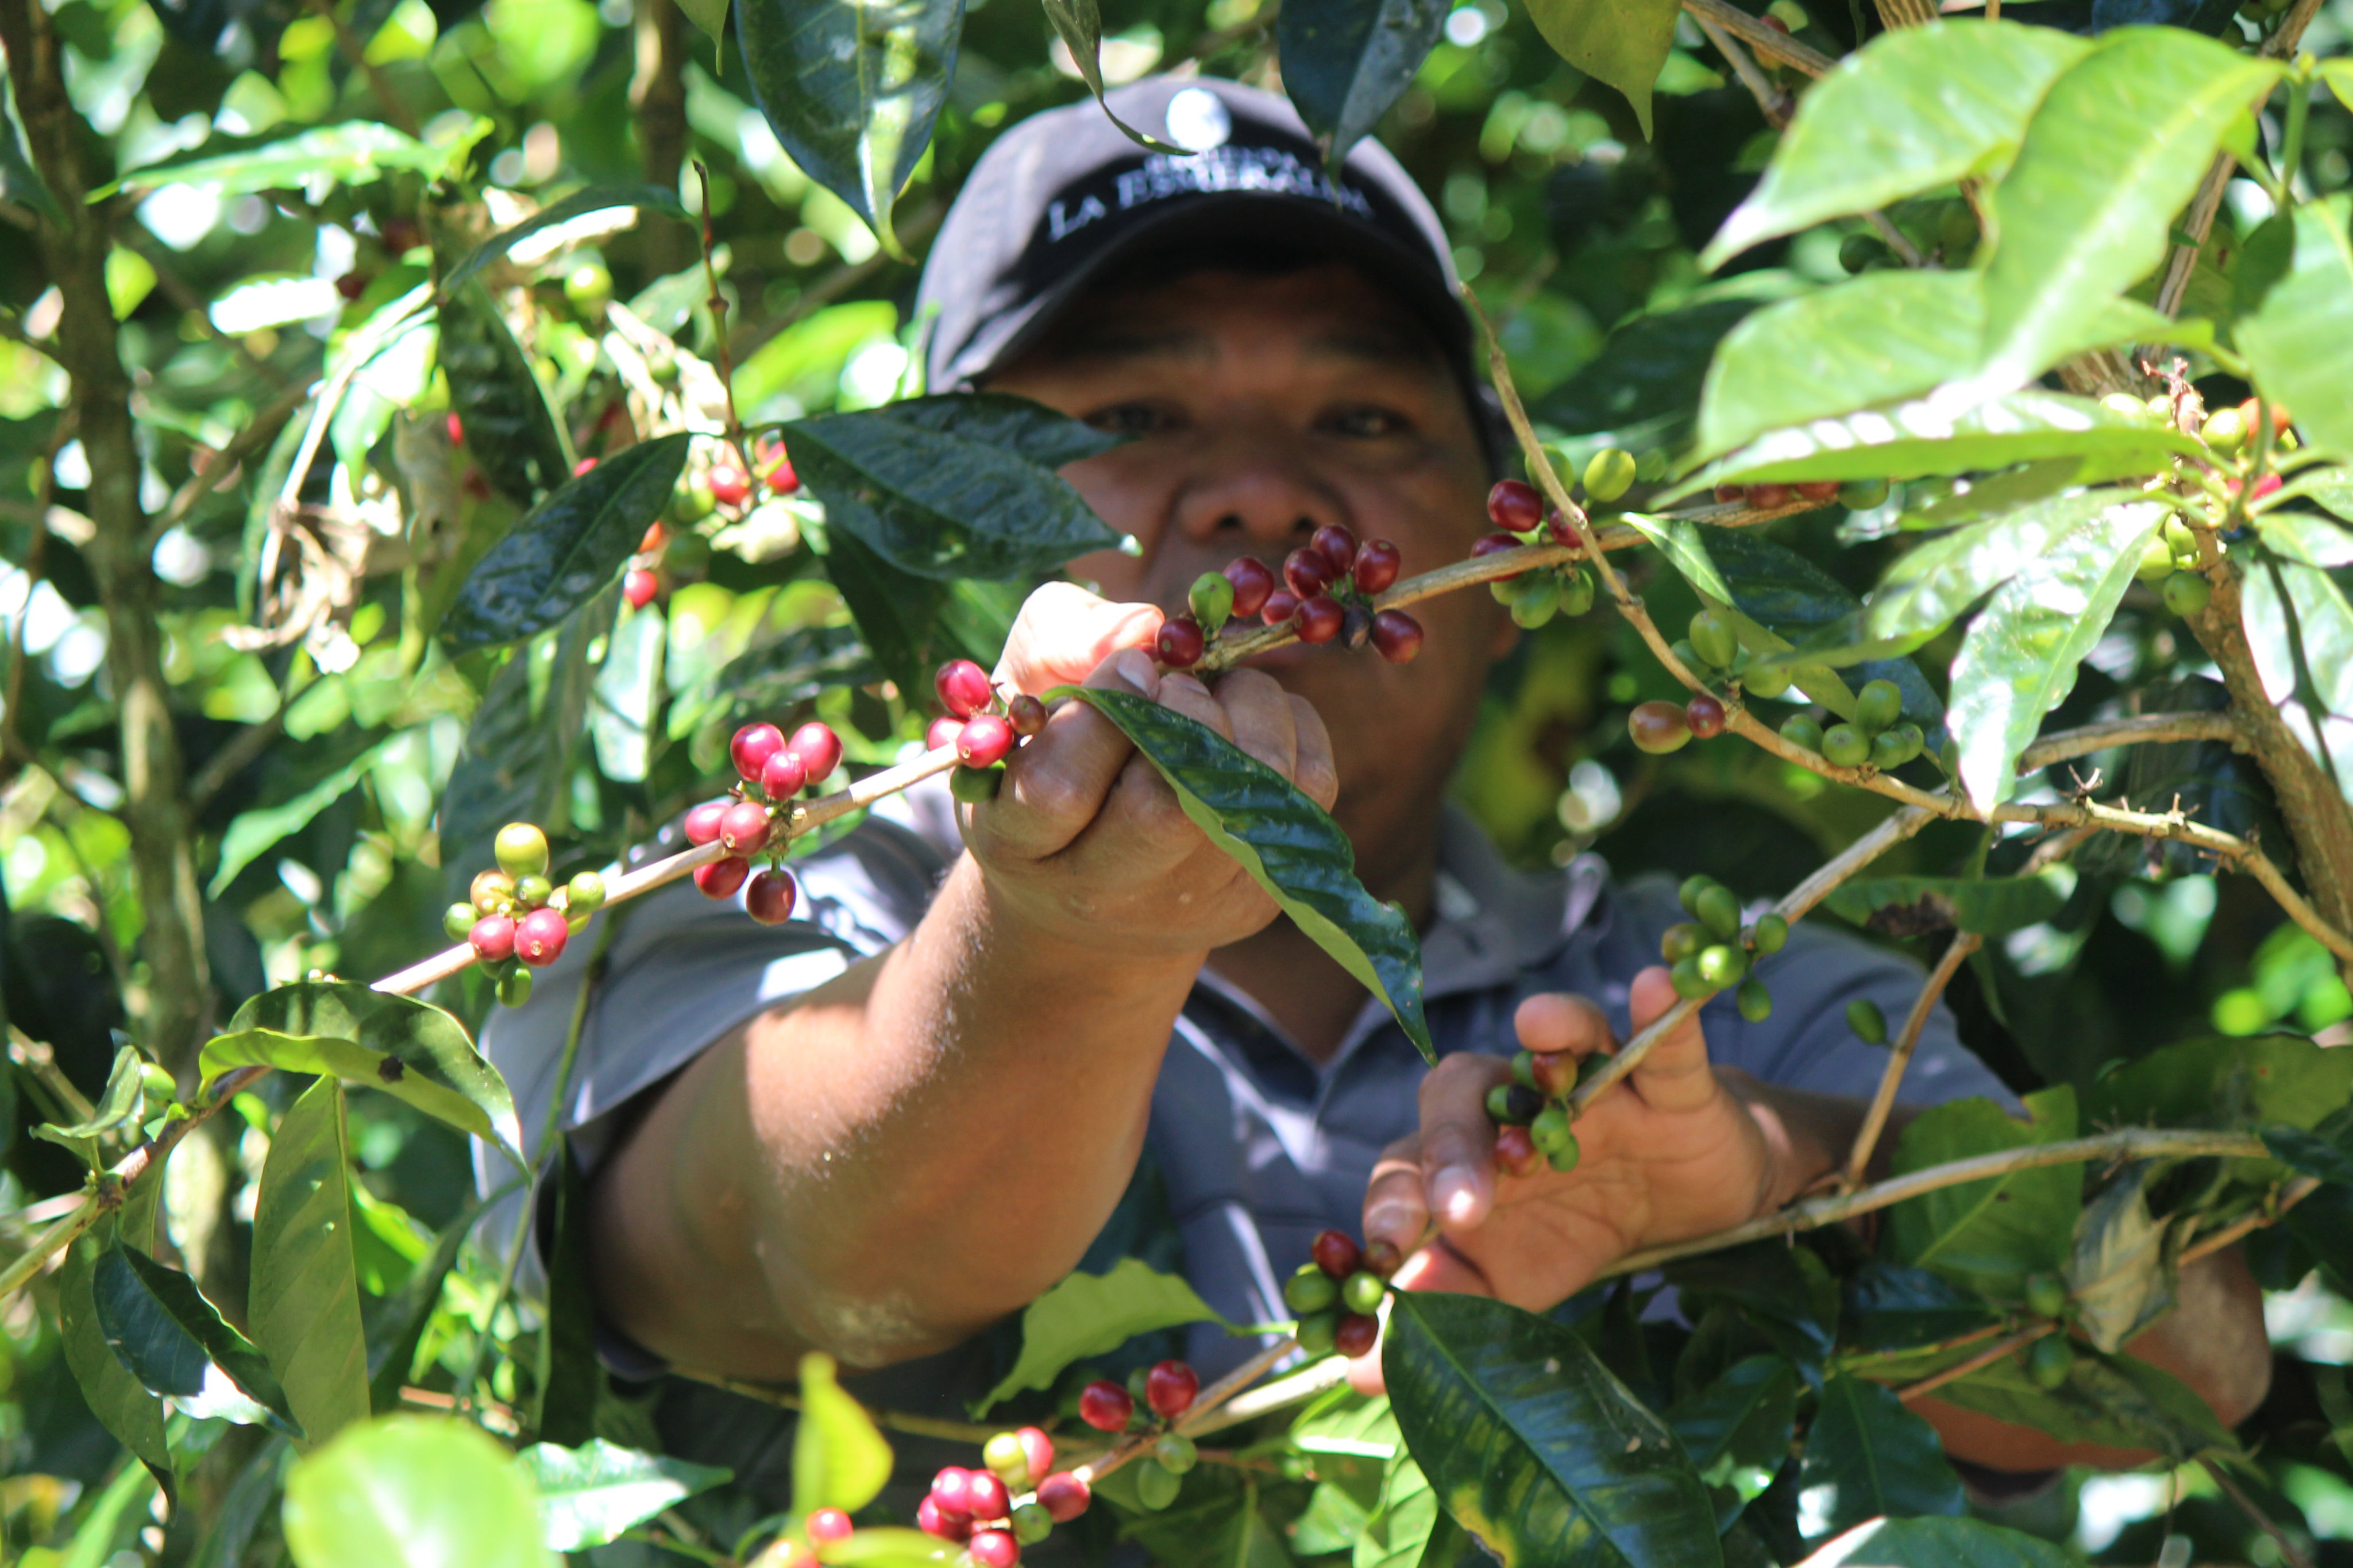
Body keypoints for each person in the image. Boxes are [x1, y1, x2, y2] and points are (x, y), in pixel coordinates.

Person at [479, 75, 2269, 1516]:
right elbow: (787, 1252)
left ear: (1513, 573)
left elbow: (2189, 1365)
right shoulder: (768, 901)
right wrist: (1060, 950)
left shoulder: (1698, 1002)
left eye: (1364, 425)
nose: (1259, 491)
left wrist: (1755, 1188)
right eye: (1129, 410)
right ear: (936, 531)